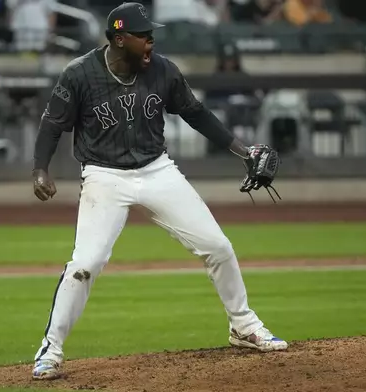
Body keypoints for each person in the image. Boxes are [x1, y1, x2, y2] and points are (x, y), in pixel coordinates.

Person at [30, 2, 288, 381]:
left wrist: (242, 151)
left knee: (218, 247)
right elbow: (52, 124)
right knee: (85, 264)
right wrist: (40, 169)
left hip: (157, 170)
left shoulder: (163, 70)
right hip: (104, 176)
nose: (151, 41)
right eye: (143, 36)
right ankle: (51, 349)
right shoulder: (79, 74)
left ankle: (243, 326)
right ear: (120, 39)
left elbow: (195, 113)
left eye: (151, 35)